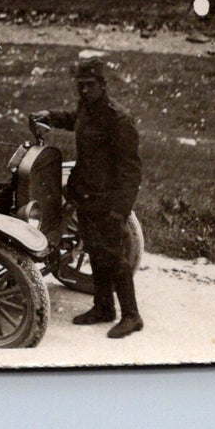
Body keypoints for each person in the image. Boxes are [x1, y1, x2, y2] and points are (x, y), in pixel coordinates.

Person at [32, 57, 144, 338]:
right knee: (95, 252)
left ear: (103, 85)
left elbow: (131, 173)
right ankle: (103, 308)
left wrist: (120, 211)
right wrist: (53, 117)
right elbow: (75, 120)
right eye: (80, 85)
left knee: (115, 258)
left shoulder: (118, 119)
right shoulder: (88, 107)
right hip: (86, 196)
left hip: (108, 202)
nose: (84, 90)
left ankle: (132, 316)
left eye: (90, 85)